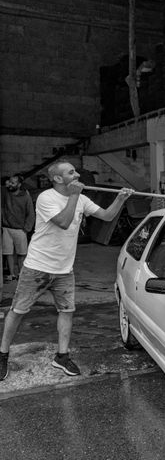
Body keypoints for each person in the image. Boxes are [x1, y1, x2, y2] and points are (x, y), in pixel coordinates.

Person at [0, 161, 133, 380]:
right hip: (37, 268)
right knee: (18, 311)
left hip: (64, 270)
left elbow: (107, 216)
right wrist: (73, 196)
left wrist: (121, 198)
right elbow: (63, 222)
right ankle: (3, 354)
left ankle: (62, 356)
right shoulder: (46, 198)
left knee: (67, 311)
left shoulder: (81, 198)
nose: (77, 174)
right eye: (71, 172)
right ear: (59, 179)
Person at [2, 175, 35, 282]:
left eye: (13, 183)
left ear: (19, 185)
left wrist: (26, 228)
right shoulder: (5, 192)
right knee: (8, 253)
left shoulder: (25, 196)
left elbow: (31, 213)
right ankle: (12, 274)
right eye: (10, 182)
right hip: (6, 228)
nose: (10, 184)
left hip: (20, 229)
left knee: (22, 254)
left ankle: (21, 274)